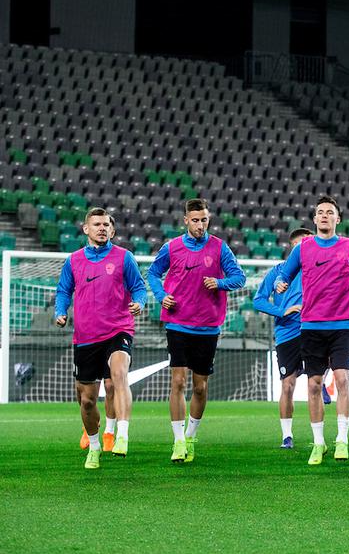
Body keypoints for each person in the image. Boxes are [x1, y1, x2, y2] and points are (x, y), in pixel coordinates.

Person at [275, 196, 349, 465]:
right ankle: (319, 442)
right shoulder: (303, 249)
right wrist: (279, 283)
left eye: (329, 212)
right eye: (320, 212)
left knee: (342, 379)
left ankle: (342, 440)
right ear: (314, 219)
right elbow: (284, 274)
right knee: (313, 384)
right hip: (310, 325)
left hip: (343, 324)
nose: (324, 216)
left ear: (338, 219)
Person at [148, 198, 246, 464]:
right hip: (178, 323)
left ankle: (191, 435)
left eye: (204, 220)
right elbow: (153, 273)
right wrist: (161, 295)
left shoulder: (219, 247)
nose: (200, 225)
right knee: (177, 382)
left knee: (200, 387)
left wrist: (219, 282)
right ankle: (178, 441)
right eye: (195, 220)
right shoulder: (173, 247)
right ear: (185, 221)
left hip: (207, 326)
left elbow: (240, 277)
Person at [55, 208, 146, 468]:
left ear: (112, 230)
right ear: (86, 229)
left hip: (118, 329)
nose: (102, 228)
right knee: (86, 400)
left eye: (106, 224)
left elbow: (139, 288)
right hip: (85, 336)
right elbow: (63, 291)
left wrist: (139, 302)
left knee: (118, 376)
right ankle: (94, 445)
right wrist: (60, 312)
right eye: (96, 224)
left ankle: (122, 434)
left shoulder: (124, 257)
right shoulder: (73, 260)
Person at [253, 228, 313, 449]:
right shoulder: (278, 273)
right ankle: (287, 435)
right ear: (292, 247)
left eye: (307, 243)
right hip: (286, 334)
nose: (303, 248)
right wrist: (282, 311)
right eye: (299, 244)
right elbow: (258, 300)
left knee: (316, 378)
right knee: (287, 385)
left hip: (310, 329)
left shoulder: (315, 271)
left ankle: (322, 379)